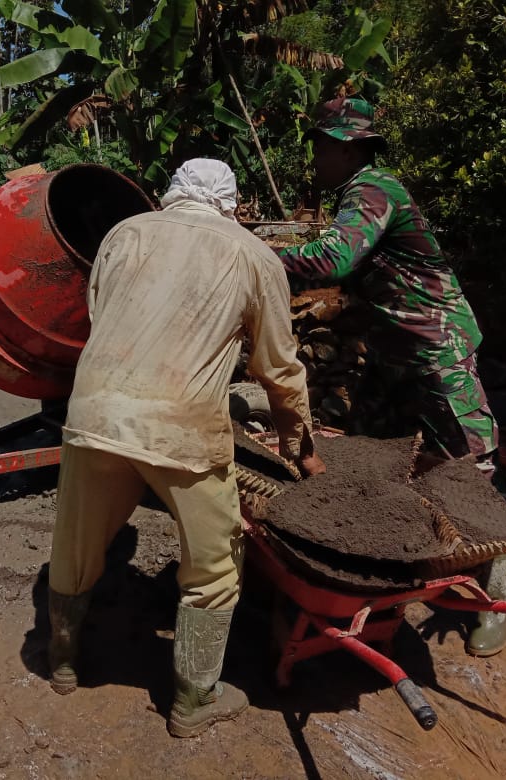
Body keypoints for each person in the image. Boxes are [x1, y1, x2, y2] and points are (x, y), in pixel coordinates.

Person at [47, 158, 326, 738]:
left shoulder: (123, 234)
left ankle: (64, 663)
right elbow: (278, 367)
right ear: (231, 203)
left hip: (95, 413)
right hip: (183, 430)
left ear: (172, 191)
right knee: (214, 568)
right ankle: (195, 700)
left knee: (75, 545)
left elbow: (106, 321)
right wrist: (298, 443)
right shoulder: (253, 255)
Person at [278, 96, 506, 657]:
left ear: (344, 146)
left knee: (471, 463)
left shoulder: (374, 188)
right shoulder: (355, 192)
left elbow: (333, 260)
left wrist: (252, 255)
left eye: (319, 147)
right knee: (376, 454)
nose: (315, 158)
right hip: (393, 350)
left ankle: (493, 592)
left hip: (436, 345)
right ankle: (385, 563)